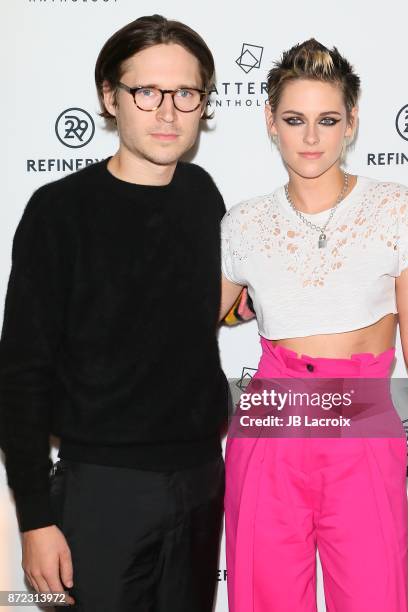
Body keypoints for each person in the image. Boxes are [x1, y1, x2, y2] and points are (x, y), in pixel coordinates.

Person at [219, 39, 408, 612]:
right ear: (269, 122)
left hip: (362, 428)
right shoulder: (243, 223)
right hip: (269, 433)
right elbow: (185, 325)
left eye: (327, 120)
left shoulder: (395, 207)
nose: (311, 138)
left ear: (352, 123)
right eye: (294, 119)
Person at [0, 14, 228, 612]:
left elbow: (189, 314)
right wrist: (35, 519)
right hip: (102, 490)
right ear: (110, 97)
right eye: (146, 91)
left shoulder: (205, 197)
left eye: (186, 93)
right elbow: (21, 373)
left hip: (203, 481)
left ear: (204, 101)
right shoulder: (59, 211)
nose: (168, 111)